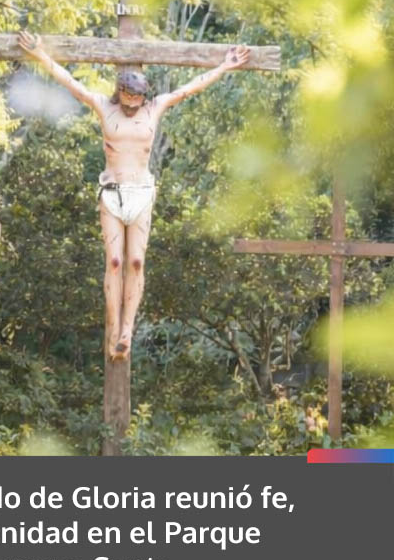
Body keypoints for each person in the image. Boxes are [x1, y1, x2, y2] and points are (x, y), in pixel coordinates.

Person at [17, 30, 251, 360]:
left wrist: (225, 67)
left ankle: (127, 329)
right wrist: (41, 55)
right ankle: (114, 330)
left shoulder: (154, 109)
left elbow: (191, 87)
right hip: (112, 192)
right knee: (114, 261)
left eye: (136, 98)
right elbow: (72, 83)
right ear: (119, 92)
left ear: (144, 97)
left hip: (141, 192)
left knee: (136, 262)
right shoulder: (104, 107)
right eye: (126, 97)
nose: (131, 104)